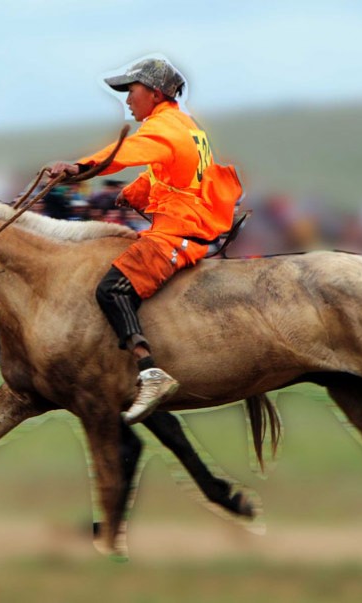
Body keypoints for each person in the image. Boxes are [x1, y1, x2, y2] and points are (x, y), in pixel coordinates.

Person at [50, 58, 242, 424]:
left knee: (111, 289)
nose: (127, 101)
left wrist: (76, 168)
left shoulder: (164, 127)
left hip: (178, 232)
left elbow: (126, 155)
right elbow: (169, 171)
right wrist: (134, 193)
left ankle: (150, 372)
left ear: (155, 93)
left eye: (131, 91)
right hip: (184, 222)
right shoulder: (184, 124)